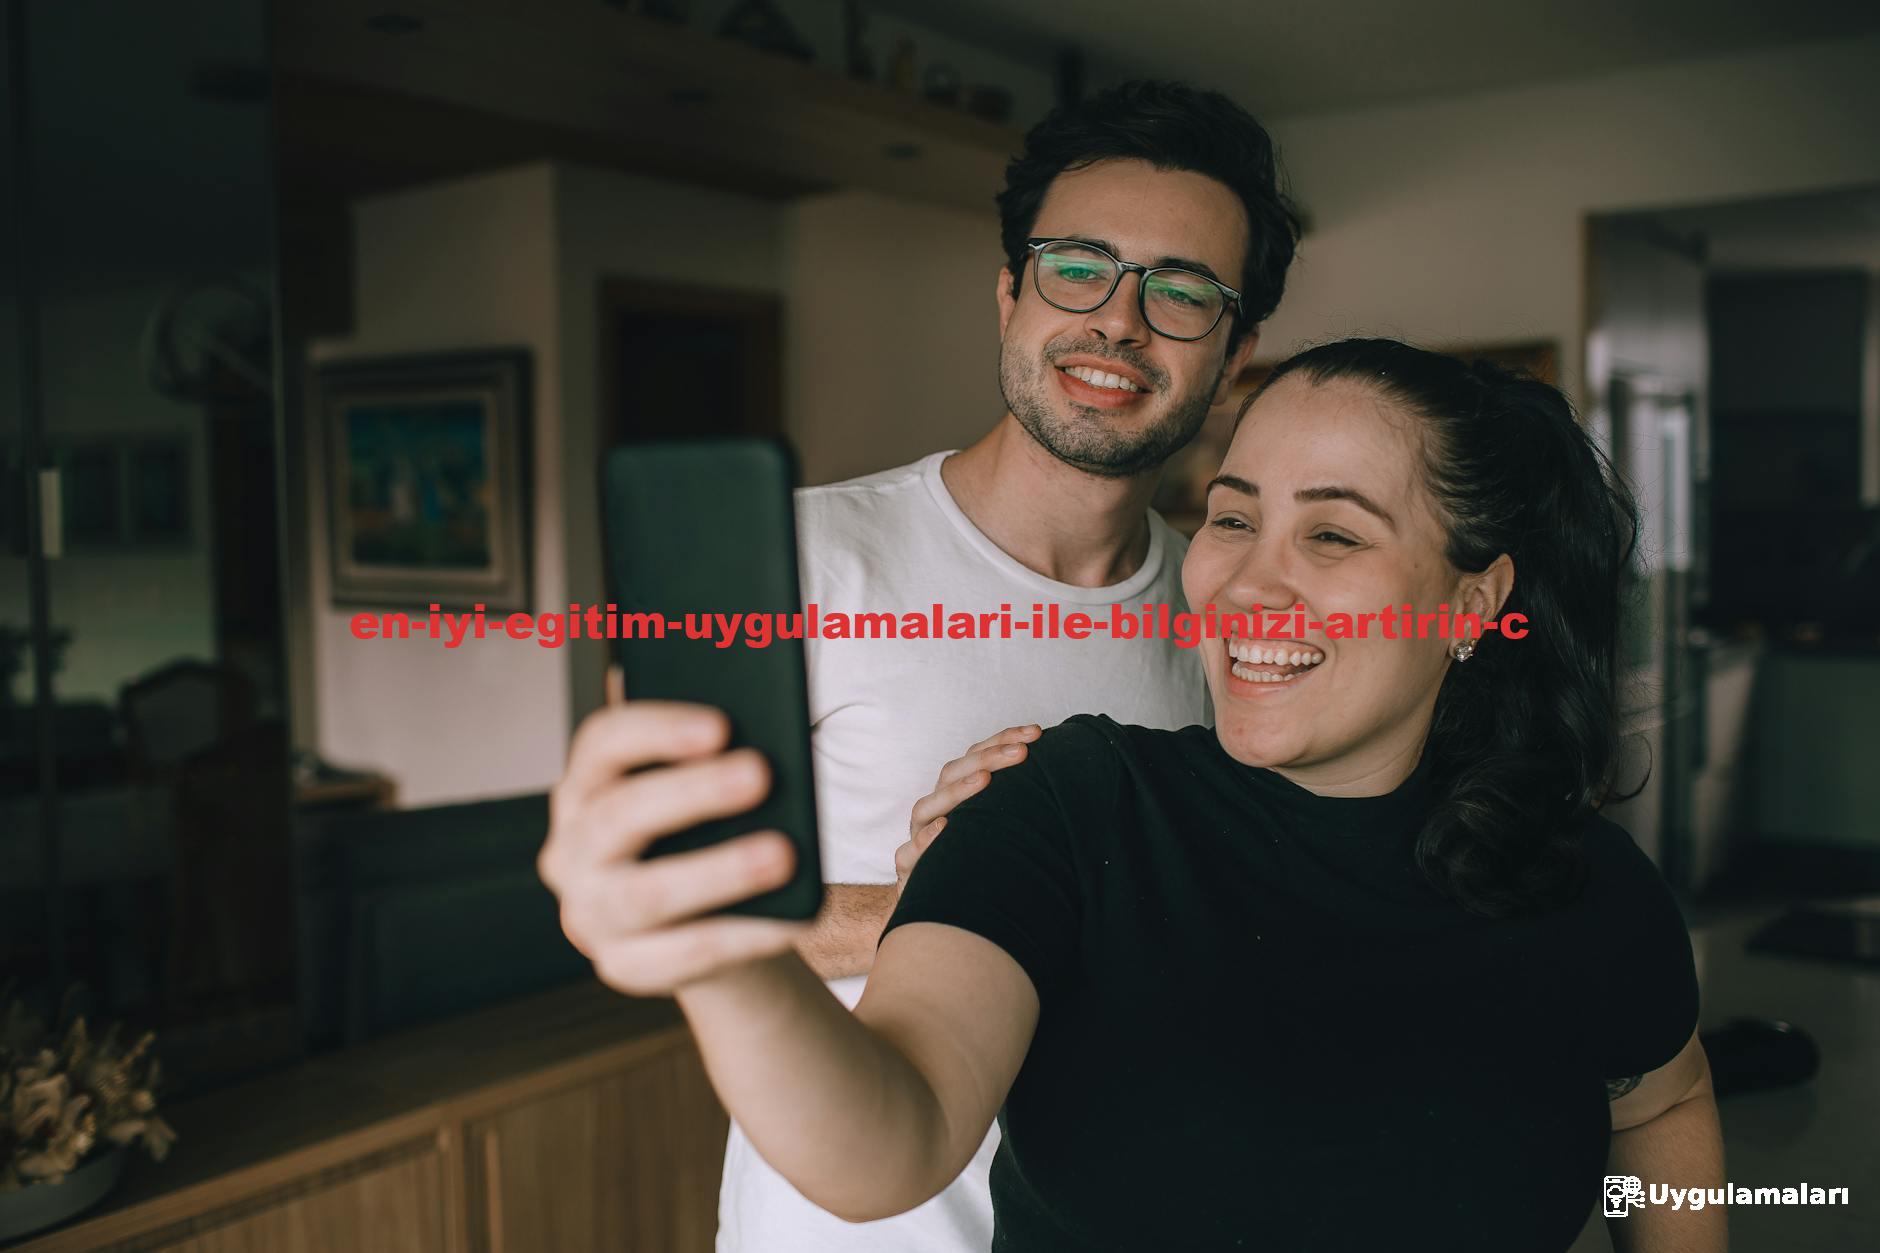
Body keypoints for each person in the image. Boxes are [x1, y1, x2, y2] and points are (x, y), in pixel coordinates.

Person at [539, 338, 1726, 1252]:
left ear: (1472, 602)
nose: (1249, 582)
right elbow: (888, 1136)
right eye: (1230, 515)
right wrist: (722, 956)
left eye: (1331, 536)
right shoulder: (1071, 803)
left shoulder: (1581, 882)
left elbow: (1657, 1106)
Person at [541, 80, 1300, 1252]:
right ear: (1008, 293)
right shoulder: (792, 561)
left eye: (1182, 292)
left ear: (1237, 352)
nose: (1118, 322)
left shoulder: (1230, 613)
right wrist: (962, 906)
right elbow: (664, 896)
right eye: (1076, 267)